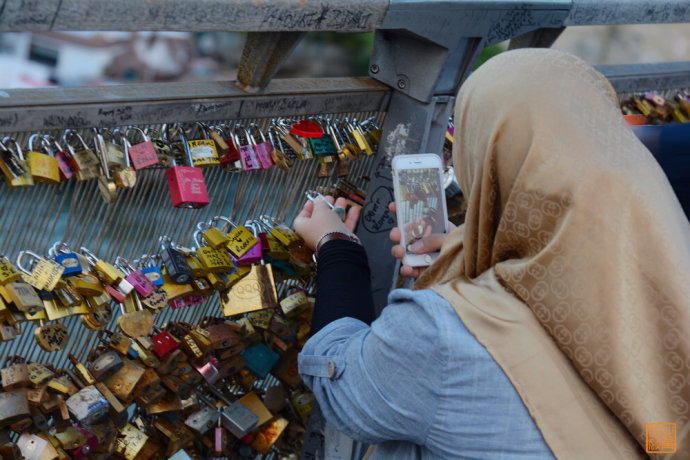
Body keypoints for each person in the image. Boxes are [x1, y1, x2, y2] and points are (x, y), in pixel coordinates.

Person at [294, 48, 690, 458]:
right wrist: (472, 246)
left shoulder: (443, 334)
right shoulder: (670, 287)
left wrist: (337, 248)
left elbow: (341, 384)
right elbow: (658, 434)